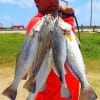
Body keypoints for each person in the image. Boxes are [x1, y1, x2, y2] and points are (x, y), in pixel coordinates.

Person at [26, 0, 81, 100]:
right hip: (50, 96)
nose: (53, 2)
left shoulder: (60, 20)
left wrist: (68, 17)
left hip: (70, 93)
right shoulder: (36, 24)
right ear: (37, 1)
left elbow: (72, 48)